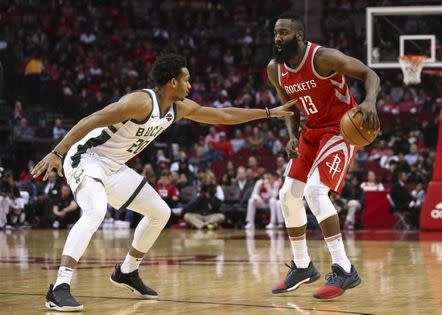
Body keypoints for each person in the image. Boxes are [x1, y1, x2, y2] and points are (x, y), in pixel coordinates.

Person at [31, 53, 296, 312]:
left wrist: (269, 112)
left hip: (112, 167)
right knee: (96, 211)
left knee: (160, 212)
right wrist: (57, 152)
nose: (190, 86)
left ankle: (127, 271)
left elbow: (223, 115)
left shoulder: (178, 109)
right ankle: (60, 287)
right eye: (186, 80)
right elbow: (91, 120)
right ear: (172, 82)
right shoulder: (140, 102)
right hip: (86, 157)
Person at [267, 12, 380, 299]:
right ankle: (303, 266)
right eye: (276, 33)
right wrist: (292, 136)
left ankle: (344, 270)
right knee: (287, 195)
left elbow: (371, 74)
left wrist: (368, 103)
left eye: (284, 33)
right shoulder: (275, 69)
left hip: (341, 128)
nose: (278, 38)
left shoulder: (323, 57)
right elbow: (290, 108)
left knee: (316, 191)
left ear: (299, 35)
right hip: (311, 131)